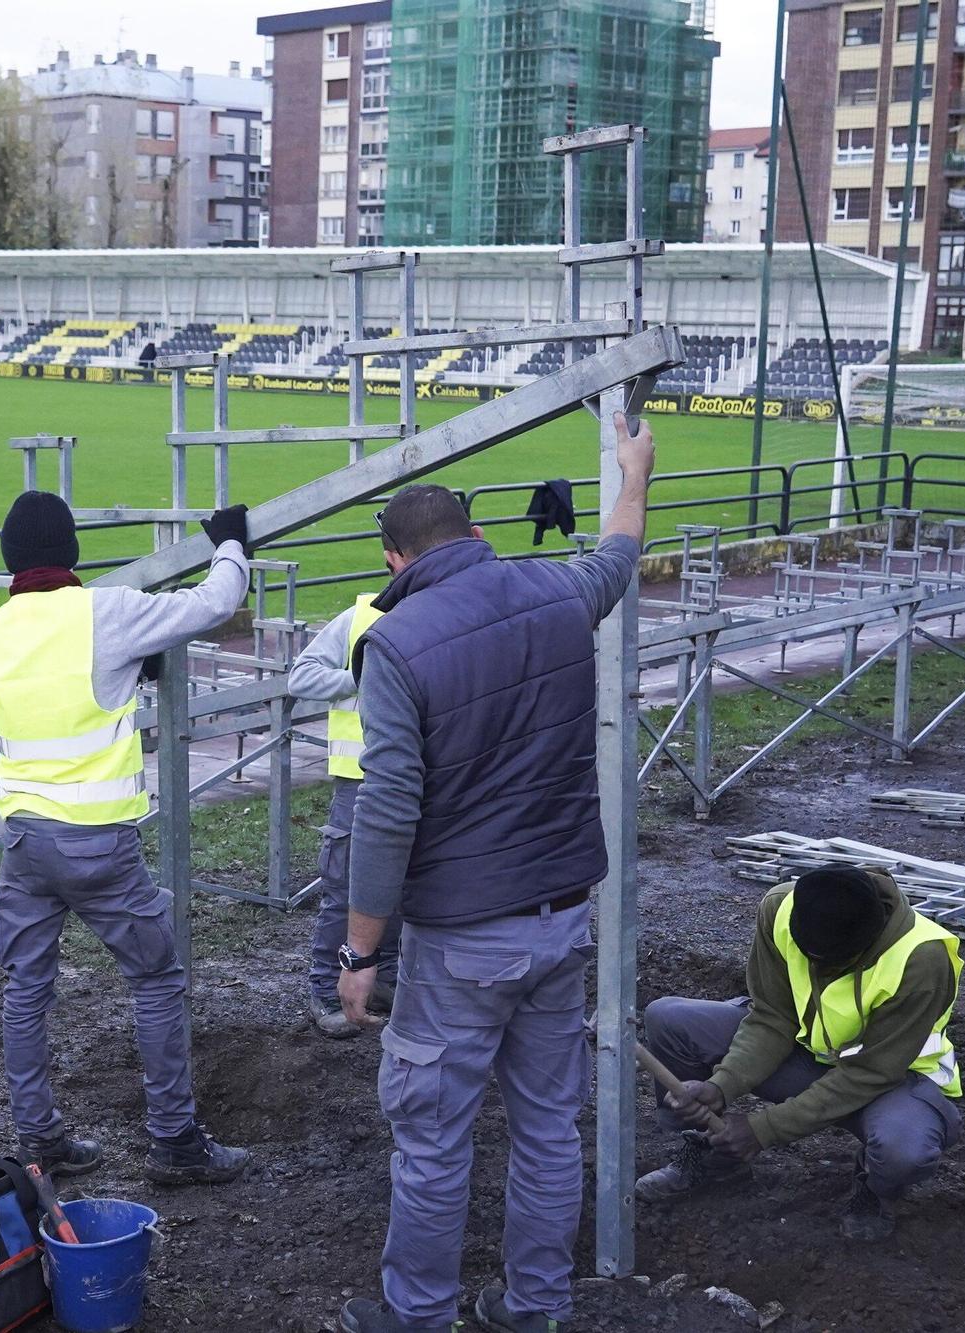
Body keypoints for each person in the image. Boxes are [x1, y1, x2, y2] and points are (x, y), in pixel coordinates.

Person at [337, 413, 654, 1333]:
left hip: (464, 938)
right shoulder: (557, 592)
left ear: (395, 560)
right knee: (549, 1128)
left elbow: (388, 807)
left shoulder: (395, 645)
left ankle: (419, 1316)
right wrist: (634, 470)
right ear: (476, 535)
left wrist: (359, 952)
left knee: (434, 1141)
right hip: (562, 919)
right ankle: (535, 1307)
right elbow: (620, 553)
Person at [0, 490, 254, 1186]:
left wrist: (129, 666)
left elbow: (63, 683)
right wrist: (231, 544)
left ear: (9, 557)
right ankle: (175, 1142)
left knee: (26, 990)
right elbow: (213, 604)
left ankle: (41, 1139)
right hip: (98, 842)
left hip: (25, 842)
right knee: (156, 978)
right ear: (71, 552)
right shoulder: (107, 608)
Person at [638, 862, 962, 1242]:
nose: (812, 967)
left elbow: (869, 1072)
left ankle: (876, 1191)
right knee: (669, 1019)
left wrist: (763, 1129)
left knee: (904, 1150)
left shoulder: (922, 959)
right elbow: (772, 1018)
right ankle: (717, 1150)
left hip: (888, 1083)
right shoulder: (782, 908)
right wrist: (721, 1086)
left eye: (825, 963)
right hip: (808, 1054)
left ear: (863, 947)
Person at [288, 559, 405, 1038]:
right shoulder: (360, 617)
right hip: (359, 783)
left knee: (405, 888)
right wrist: (361, 677)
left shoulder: (454, 613)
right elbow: (301, 678)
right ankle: (323, 988)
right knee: (345, 891)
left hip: (420, 780)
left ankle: (387, 981)